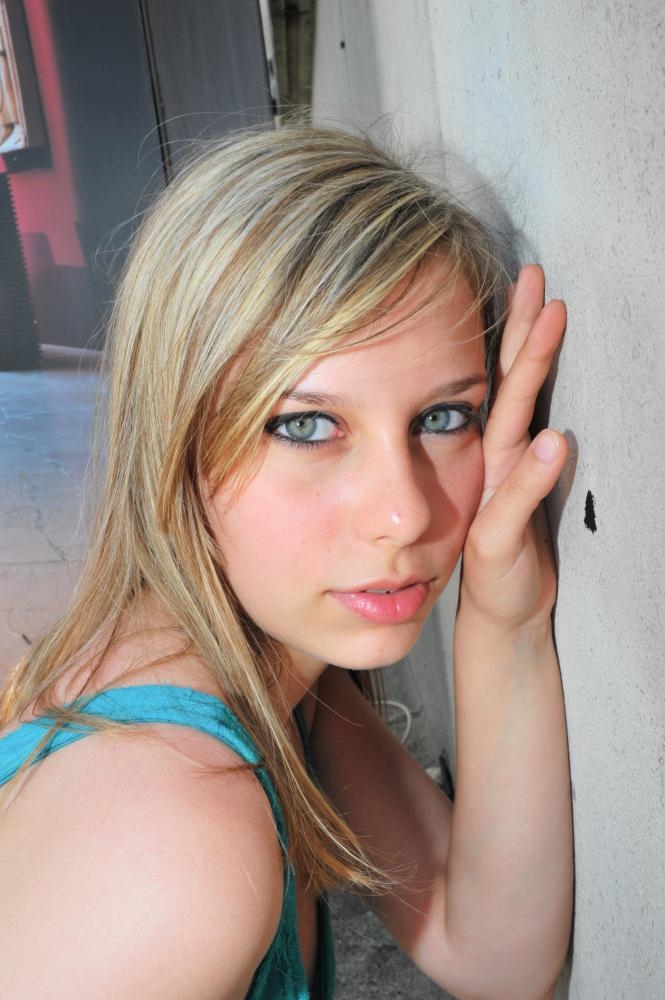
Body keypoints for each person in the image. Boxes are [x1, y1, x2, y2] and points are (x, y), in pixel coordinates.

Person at [0, 124, 572, 1000]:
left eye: (442, 418)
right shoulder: (175, 841)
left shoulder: (273, 675)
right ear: (178, 437)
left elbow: (492, 951)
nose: (405, 514)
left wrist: (507, 619)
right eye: (305, 426)